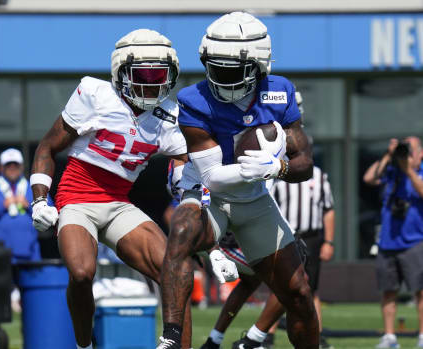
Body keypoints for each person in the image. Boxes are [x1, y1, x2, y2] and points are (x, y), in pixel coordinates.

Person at [158, 12, 318, 349]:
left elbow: (304, 164)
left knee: (299, 292)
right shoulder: (194, 99)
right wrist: (256, 168)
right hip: (207, 193)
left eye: (232, 69)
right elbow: (213, 177)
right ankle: (171, 336)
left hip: (254, 197)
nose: (221, 78)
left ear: (259, 65)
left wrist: (278, 169)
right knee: (182, 231)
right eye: (215, 67)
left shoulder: (280, 92)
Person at [28, 29, 195, 349]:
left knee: (176, 270)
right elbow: (47, 148)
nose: (153, 82)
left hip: (119, 202)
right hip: (76, 198)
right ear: (122, 72)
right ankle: (84, 345)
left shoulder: (168, 114)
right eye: (144, 74)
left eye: (160, 74)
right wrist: (39, 200)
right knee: (81, 272)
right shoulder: (94, 93)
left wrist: (184, 182)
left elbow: (184, 161)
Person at [197, 91, 336, 349]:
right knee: (294, 275)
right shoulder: (253, 132)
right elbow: (208, 181)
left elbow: (300, 168)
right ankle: (254, 337)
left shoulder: (283, 137)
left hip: (250, 224)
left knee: (258, 280)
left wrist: (280, 167)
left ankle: (218, 339)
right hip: (231, 229)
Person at [363, 136, 423, 349]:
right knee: (389, 291)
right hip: (388, 242)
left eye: (409, 150)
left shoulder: (418, 172)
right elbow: (369, 178)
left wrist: (408, 171)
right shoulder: (391, 170)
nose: (405, 155)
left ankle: (422, 336)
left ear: (420, 153)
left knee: (420, 291)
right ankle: (389, 337)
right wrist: (389, 155)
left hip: (415, 241)